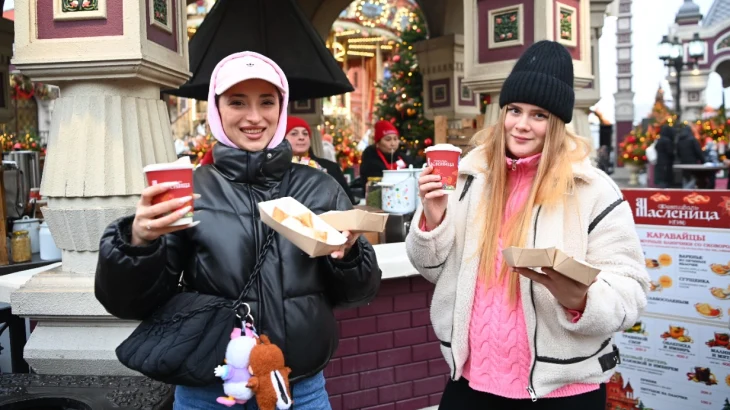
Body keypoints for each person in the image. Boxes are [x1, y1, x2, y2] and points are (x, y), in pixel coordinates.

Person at [95, 51, 381, 410]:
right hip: (208, 392)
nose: (254, 117)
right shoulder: (191, 191)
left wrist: (348, 256)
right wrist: (138, 242)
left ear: (281, 108)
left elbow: (358, 293)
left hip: (299, 391)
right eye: (237, 102)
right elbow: (129, 303)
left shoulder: (320, 188)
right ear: (216, 110)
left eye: (267, 102)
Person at [406, 41, 649, 409]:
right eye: (514, 110)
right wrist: (434, 216)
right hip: (470, 382)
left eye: (538, 115)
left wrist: (581, 299)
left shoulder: (592, 189)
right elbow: (431, 269)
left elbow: (631, 292)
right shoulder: (469, 177)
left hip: (562, 392)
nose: (521, 125)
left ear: (558, 123)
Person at [285, 116, 356, 204]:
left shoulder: (331, 168)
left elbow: (348, 202)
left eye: (305, 134)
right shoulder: (276, 169)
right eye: (294, 134)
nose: (301, 137)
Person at [358, 120, 412, 189]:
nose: (393, 144)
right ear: (378, 143)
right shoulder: (370, 162)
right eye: (388, 140)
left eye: (395, 139)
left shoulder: (404, 159)